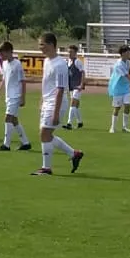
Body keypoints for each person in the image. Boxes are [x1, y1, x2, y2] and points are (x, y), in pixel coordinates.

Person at [34, 33, 85, 175]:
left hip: (56, 103)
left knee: (44, 133)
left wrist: (56, 113)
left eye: (42, 44)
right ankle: (74, 153)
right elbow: (46, 84)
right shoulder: (47, 61)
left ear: (51, 44)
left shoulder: (60, 64)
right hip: (47, 102)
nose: (40, 47)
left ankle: (46, 168)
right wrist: (42, 101)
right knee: (46, 134)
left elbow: (60, 89)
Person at [0, 41, 27, 151]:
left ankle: (6, 145)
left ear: (9, 52)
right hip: (9, 96)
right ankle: (26, 142)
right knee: (14, 119)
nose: (1, 56)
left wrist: (23, 98)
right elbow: (4, 79)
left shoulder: (17, 64)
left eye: (2, 54)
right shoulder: (4, 64)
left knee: (8, 118)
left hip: (15, 96)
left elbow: (23, 81)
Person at [107, 45, 130, 132]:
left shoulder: (127, 62)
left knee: (127, 106)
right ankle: (112, 127)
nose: (129, 54)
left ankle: (124, 127)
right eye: (128, 52)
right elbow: (127, 76)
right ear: (123, 53)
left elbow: (128, 75)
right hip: (117, 88)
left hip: (125, 87)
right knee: (117, 108)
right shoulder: (118, 65)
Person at [63, 44, 87, 128]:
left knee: (72, 103)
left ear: (75, 53)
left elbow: (83, 73)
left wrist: (81, 84)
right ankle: (80, 122)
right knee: (76, 105)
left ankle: (69, 123)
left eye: (71, 52)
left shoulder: (77, 61)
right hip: (71, 85)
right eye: (68, 52)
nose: (69, 53)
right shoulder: (67, 61)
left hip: (77, 85)